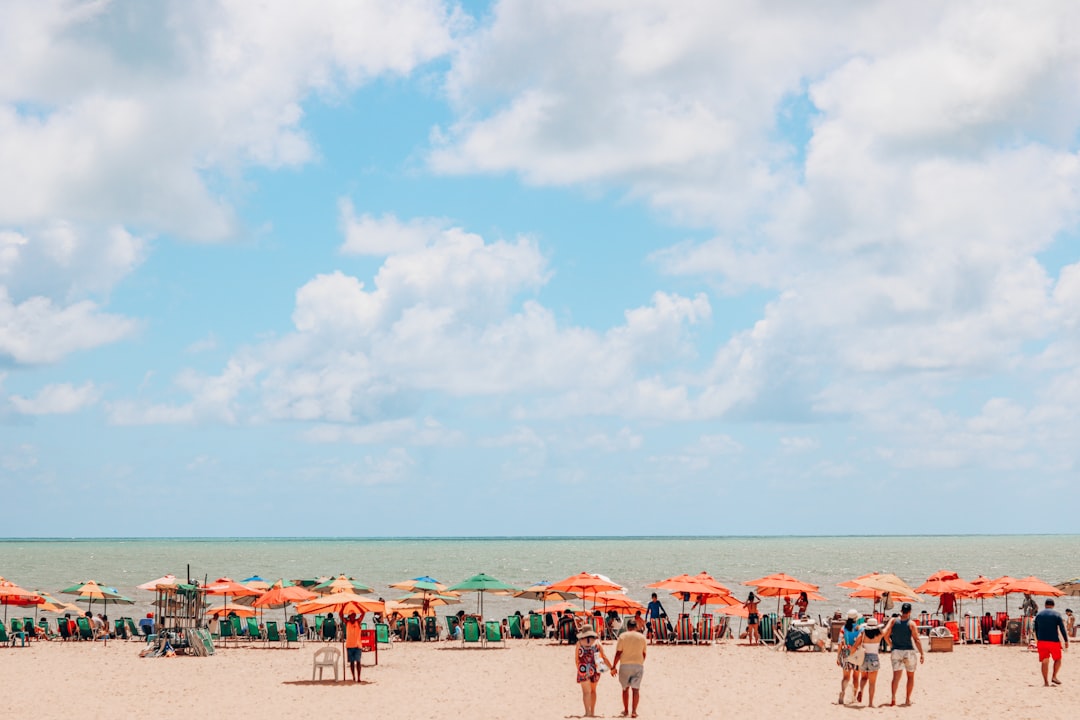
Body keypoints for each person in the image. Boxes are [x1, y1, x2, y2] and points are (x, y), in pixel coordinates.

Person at [883, 602, 924, 707]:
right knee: (910, 676)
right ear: (909, 612)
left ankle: (893, 698)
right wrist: (922, 653)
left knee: (896, 677)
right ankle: (907, 699)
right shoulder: (911, 623)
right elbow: (917, 640)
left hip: (896, 651)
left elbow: (886, 636)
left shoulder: (893, 621)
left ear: (901, 611)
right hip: (908, 652)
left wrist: (891, 645)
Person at [610, 618, 647, 718]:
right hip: (638, 665)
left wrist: (613, 666)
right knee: (636, 689)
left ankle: (626, 710)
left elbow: (618, 653)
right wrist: (640, 662)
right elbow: (644, 654)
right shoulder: (642, 637)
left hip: (625, 665)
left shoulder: (622, 636)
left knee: (625, 689)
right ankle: (634, 711)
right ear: (636, 627)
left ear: (627, 627)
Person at [574, 627, 611, 718]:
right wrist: (612, 668)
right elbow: (604, 657)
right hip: (595, 669)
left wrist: (579, 669)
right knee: (593, 691)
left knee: (586, 692)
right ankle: (593, 712)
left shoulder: (579, 643)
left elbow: (576, 658)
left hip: (583, 669)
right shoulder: (597, 643)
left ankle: (587, 712)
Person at [1033, 598, 1069, 687]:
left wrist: (1038, 639)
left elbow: (1035, 629)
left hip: (1042, 641)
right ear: (1053, 605)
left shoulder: (1039, 615)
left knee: (1045, 661)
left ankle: (1046, 682)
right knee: (1058, 659)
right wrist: (1066, 640)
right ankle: (1054, 677)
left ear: (1045, 605)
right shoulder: (1057, 615)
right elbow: (1062, 629)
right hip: (1054, 641)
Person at [852, 617, 884, 707]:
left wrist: (851, 655)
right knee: (872, 683)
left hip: (864, 658)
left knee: (864, 678)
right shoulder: (879, 634)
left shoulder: (863, 634)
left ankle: (861, 690)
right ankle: (870, 703)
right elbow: (886, 631)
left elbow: (855, 646)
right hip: (874, 658)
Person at [836, 609, 863, 705]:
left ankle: (843, 691)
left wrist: (838, 656)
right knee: (856, 677)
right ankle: (853, 697)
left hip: (845, 653)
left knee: (845, 677)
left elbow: (839, 643)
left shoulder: (844, 628)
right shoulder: (860, 628)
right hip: (856, 654)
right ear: (856, 618)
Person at [341, 610, 366, 683]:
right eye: (351, 615)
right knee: (352, 662)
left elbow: (363, 613)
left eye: (354, 615)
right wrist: (343, 608)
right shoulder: (347, 623)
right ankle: (353, 677)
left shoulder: (358, 622)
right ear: (349, 617)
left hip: (358, 645)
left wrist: (358, 606)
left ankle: (358, 677)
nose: (353, 617)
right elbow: (340, 615)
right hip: (349, 645)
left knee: (358, 661)